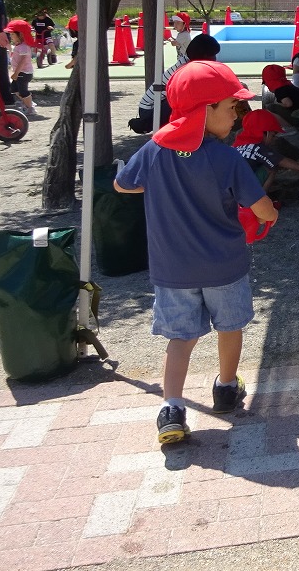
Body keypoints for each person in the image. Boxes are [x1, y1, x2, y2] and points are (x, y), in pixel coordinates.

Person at [113, 60, 277, 444]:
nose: (237, 115)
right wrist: (271, 215)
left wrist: (161, 186)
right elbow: (264, 210)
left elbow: (123, 184)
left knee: (181, 338)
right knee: (229, 327)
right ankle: (226, 387)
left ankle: (172, 407)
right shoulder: (226, 157)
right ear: (205, 110)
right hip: (224, 266)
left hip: (173, 270)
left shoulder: (155, 150)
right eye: (231, 107)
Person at [128, 33, 221, 134]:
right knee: (183, 98)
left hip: (157, 104)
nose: (214, 59)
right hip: (149, 109)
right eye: (212, 55)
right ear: (203, 55)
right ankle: (148, 124)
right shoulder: (185, 67)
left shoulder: (188, 62)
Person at [234, 108, 299, 191]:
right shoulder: (258, 148)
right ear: (266, 132)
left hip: (229, 189)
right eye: (273, 134)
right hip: (243, 191)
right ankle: (260, 199)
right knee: (271, 168)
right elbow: (282, 161)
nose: (274, 138)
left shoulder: (236, 145)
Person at [3, 19, 42, 118]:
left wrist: (16, 73)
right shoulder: (19, 46)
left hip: (23, 73)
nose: (11, 36)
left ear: (20, 34)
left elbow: (23, 60)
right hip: (20, 73)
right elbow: (13, 53)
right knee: (14, 89)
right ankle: (28, 102)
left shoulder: (24, 47)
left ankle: (30, 108)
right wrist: (7, 45)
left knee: (23, 91)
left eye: (12, 34)